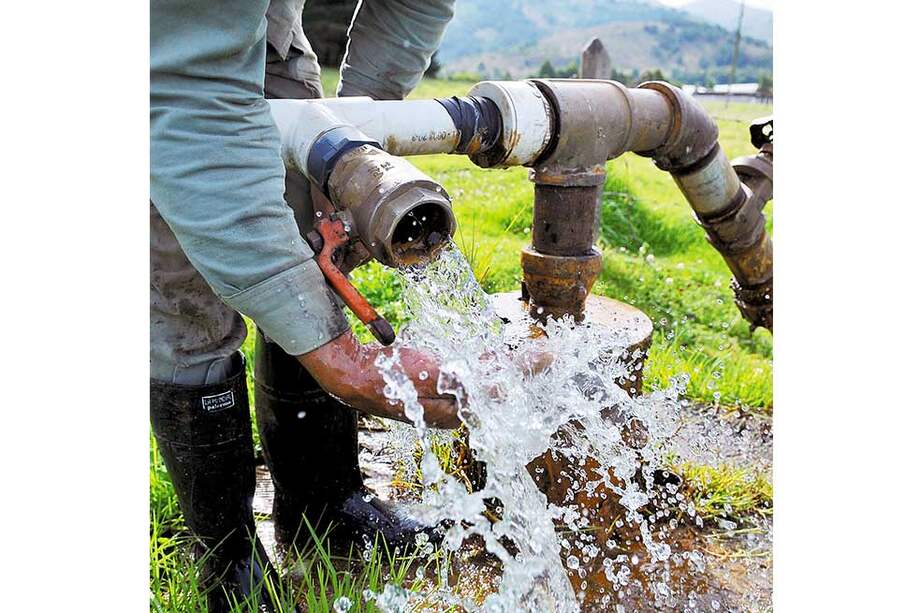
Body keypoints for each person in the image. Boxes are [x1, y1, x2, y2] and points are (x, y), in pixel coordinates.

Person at [150, 0, 456, 610]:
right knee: (184, 297)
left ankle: (325, 504)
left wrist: (349, 150)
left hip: (269, 38)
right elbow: (186, 95)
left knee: (314, 249)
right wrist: (339, 358)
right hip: (158, 56)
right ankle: (226, 558)